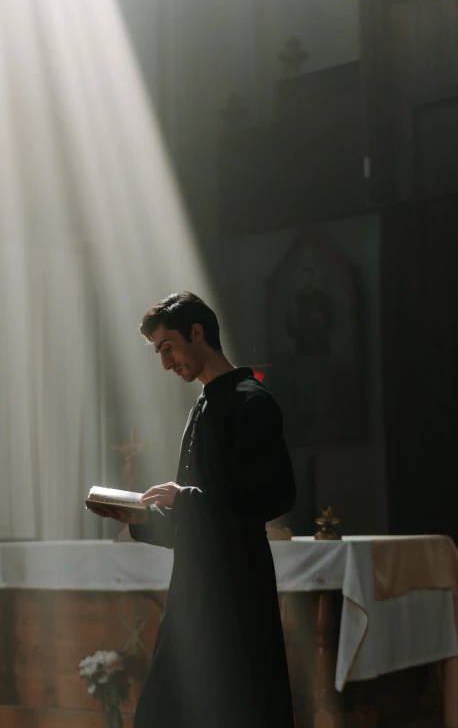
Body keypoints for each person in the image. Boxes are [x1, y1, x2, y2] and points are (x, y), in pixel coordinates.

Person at [91, 291, 296, 728]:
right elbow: (197, 520)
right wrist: (145, 519)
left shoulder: (250, 401)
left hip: (237, 595)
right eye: (159, 354)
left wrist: (184, 499)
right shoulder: (201, 407)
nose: (165, 364)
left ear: (197, 332)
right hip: (191, 595)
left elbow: (274, 496)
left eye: (168, 347)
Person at [287, 267, 332, 356]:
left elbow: (330, 320)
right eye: (304, 279)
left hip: (319, 344)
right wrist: (294, 317)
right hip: (302, 345)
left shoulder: (323, 297)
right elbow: (291, 324)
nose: (306, 282)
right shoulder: (297, 298)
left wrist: (321, 318)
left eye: (309, 279)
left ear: (313, 280)